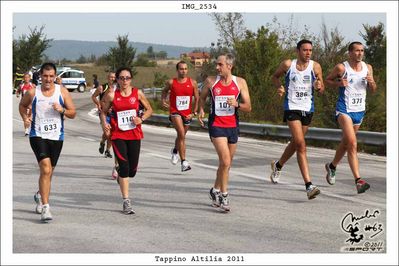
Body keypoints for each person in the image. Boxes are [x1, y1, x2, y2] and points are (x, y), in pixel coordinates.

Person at [19, 62, 76, 222]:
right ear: (40, 76)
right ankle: (46, 207)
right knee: (45, 169)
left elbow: (73, 113)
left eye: (51, 76)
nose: (48, 79)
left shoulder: (62, 92)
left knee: (50, 171)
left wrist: (63, 110)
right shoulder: (32, 92)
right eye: (45, 76)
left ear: (55, 77)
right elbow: (22, 106)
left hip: (57, 136)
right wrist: (25, 118)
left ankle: (39, 194)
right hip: (37, 135)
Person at [269, 39, 324, 200]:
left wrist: (319, 87)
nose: (308, 53)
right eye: (305, 50)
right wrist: (279, 86)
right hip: (291, 107)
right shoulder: (288, 64)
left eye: (310, 50)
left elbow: (321, 87)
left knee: (295, 143)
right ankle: (309, 185)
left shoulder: (315, 66)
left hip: (308, 108)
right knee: (301, 144)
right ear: (298, 51)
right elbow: (275, 77)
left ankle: (278, 165)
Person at [198, 53, 251, 212]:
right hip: (216, 126)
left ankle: (214, 189)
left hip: (233, 126)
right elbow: (202, 98)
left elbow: (248, 106)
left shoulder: (240, 82)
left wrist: (237, 104)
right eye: (216, 64)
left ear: (229, 66)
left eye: (220, 65)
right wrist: (200, 110)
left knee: (225, 164)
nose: (216, 67)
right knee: (226, 161)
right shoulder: (211, 82)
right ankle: (224, 195)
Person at [324, 41, 377, 194]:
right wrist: (339, 83)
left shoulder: (368, 68)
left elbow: (373, 89)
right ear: (350, 53)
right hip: (344, 109)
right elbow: (328, 80)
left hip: (359, 110)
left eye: (362, 51)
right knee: (352, 143)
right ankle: (358, 180)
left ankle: (332, 166)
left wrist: (372, 83)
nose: (360, 53)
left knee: (346, 143)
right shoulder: (342, 67)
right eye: (357, 51)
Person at [101, 67, 153, 214]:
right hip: (118, 135)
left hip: (135, 134)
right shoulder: (112, 95)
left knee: (132, 171)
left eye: (127, 78)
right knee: (124, 167)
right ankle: (126, 201)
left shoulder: (138, 93)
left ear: (131, 79)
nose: (125, 81)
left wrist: (141, 119)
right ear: (117, 79)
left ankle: (121, 174)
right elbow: (103, 112)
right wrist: (105, 124)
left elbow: (149, 109)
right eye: (122, 78)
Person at [161, 61, 199, 171]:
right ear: (177, 70)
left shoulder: (193, 83)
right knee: (181, 134)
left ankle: (174, 151)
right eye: (181, 69)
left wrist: (194, 113)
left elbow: (197, 98)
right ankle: (184, 162)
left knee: (181, 136)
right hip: (175, 112)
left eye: (186, 69)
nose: (184, 71)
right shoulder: (171, 82)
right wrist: (163, 100)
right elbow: (164, 91)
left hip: (187, 114)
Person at [91, 72, 116, 159]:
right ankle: (102, 141)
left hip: (114, 114)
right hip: (104, 113)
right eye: (111, 77)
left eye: (114, 77)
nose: (112, 79)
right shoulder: (102, 87)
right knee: (107, 133)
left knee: (112, 134)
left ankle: (107, 150)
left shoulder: (117, 88)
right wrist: (99, 104)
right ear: (108, 78)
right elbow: (93, 97)